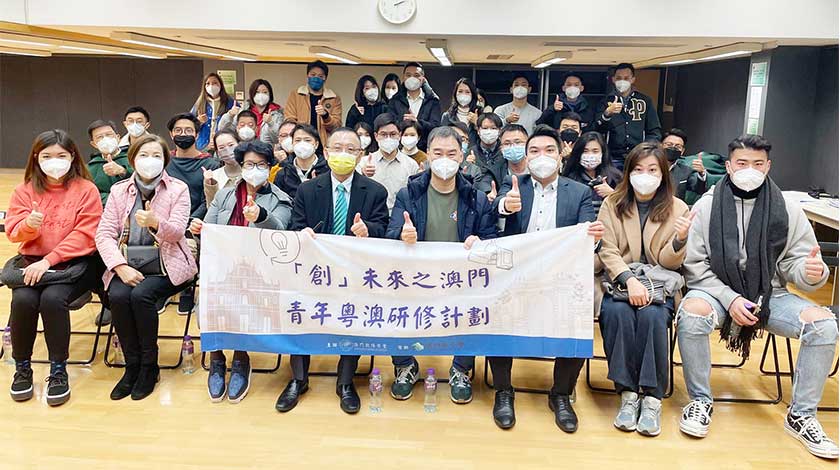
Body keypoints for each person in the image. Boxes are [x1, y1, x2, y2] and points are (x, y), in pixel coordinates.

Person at [676, 134, 839, 459]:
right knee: (691, 313)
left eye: (757, 164)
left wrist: (813, 273)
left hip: (770, 293)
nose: (749, 169)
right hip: (715, 290)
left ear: (768, 167)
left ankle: (802, 415)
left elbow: (798, 263)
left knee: (824, 325)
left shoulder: (787, 209)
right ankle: (700, 400)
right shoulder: (707, 206)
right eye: (742, 163)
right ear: (728, 166)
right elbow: (695, 266)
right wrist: (731, 299)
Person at [490, 125, 604, 431]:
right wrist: (505, 206)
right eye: (535, 151)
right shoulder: (514, 183)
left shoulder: (579, 192)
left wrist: (594, 237)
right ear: (526, 158)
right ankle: (503, 391)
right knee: (496, 309)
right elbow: (494, 209)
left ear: (560, 156)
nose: (542, 156)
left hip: (560, 277)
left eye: (549, 150)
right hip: (516, 275)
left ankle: (561, 394)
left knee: (578, 314)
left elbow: (586, 236)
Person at [385, 126, 497, 405]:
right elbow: (390, 235)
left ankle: (460, 369)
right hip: (415, 278)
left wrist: (479, 242)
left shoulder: (476, 198)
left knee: (477, 306)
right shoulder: (408, 195)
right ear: (427, 156)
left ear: (462, 156)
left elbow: (491, 239)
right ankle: (405, 365)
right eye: (438, 153)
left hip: (461, 280)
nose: (444, 159)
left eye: (451, 153)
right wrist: (402, 235)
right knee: (389, 302)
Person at [283, 127, 389, 414]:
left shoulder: (375, 191)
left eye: (351, 149)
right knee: (299, 312)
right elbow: (295, 227)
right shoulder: (307, 190)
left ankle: (345, 382)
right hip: (314, 271)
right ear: (326, 152)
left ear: (360, 155)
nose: (344, 154)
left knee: (352, 317)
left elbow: (384, 229)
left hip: (355, 273)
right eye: (338, 148)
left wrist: (368, 229)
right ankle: (298, 379)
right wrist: (303, 233)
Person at [596, 141, 690, 437]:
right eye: (638, 169)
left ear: (663, 174)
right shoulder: (612, 203)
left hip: (660, 283)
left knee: (653, 317)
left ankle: (651, 398)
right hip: (619, 280)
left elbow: (669, 261)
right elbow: (606, 249)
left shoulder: (678, 207)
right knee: (616, 313)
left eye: (652, 170)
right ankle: (626, 393)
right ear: (628, 172)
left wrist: (680, 240)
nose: (645, 176)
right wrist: (629, 279)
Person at [95, 134, 197, 401]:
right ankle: (132, 366)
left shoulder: (178, 189)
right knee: (118, 295)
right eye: (143, 155)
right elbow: (104, 234)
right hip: (128, 263)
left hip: (168, 264)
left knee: (141, 296)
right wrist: (119, 266)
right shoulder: (119, 191)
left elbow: (177, 233)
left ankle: (149, 367)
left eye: (156, 155)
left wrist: (155, 222)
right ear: (132, 160)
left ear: (165, 160)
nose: (149, 160)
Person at [6, 129, 103, 407]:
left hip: (74, 264)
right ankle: (22, 367)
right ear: (36, 158)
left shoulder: (86, 190)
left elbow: (86, 234)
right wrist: (28, 226)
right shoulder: (24, 190)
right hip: (32, 262)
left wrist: (50, 259)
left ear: (72, 157)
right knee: (23, 299)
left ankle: (58, 370)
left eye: (61, 155)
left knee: (52, 299)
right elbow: (13, 232)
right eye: (47, 156)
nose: (54, 161)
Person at [190, 140, 292, 403]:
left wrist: (261, 215)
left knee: (242, 297)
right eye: (249, 164)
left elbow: (281, 232)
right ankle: (216, 359)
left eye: (261, 164)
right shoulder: (224, 195)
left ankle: (240, 359)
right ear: (241, 165)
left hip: (258, 270)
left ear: (269, 167)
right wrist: (199, 229)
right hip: (222, 266)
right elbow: (210, 228)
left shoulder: (280, 198)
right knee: (210, 299)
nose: (254, 169)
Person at [165, 113, 220, 315]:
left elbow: (210, 199)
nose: (183, 134)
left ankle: (187, 288)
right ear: (171, 134)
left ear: (197, 135)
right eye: (178, 130)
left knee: (190, 241)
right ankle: (164, 287)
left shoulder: (211, 164)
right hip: (168, 218)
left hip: (198, 220)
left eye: (188, 130)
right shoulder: (165, 161)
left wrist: (190, 220)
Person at [594, 63, 662, 170]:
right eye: (619, 78)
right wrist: (607, 114)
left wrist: (646, 150)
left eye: (626, 78)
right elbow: (596, 129)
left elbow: (654, 130)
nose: (622, 81)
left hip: (638, 156)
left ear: (633, 79)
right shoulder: (604, 101)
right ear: (613, 79)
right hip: (612, 157)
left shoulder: (645, 101)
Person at [358, 113, 419, 211]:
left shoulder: (411, 165)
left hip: (400, 215)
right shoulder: (364, 163)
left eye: (393, 134)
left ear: (399, 135)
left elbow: (415, 196)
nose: (388, 138)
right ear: (376, 136)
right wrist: (362, 175)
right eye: (383, 134)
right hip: (372, 215)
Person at [283, 60, 343, 145]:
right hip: (301, 142)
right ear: (307, 76)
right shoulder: (296, 95)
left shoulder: (334, 98)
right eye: (313, 75)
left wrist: (326, 116)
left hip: (323, 144)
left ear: (325, 78)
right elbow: (289, 119)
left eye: (320, 76)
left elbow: (336, 126)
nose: (316, 78)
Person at [562, 131, 622, 215]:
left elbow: (628, 207)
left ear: (603, 153)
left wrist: (612, 195)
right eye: (585, 151)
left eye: (595, 151)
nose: (590, 155)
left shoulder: (616, 177)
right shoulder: (569, 179)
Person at [386, 62, 441, 151]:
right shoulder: (395, 100)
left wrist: (418, 122)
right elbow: (389, 124)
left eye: (416, 75)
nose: (412, 78)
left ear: (423, 79)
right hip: (400, 149)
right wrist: (404, 124)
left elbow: (436, 128)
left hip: (425, 149)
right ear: (404, 77)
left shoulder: (432, 101)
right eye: (408, 75)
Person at [273, 124, 329, 200]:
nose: (302, 144)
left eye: (307, 140)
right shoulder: (283, 173)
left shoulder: (327, 170)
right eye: (298, 140)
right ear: (292, 144)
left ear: (316, 144)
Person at [219, 79, 284, 142]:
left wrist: (271, 123)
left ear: (270, 94)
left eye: (265, 92)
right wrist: (229, 115)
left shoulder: (277, 113)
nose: (261, 95)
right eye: (257, 92)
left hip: (265, 148)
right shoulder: (243, 110)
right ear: (252, 93)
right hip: (243, 147)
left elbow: (278, 138)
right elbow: (223, 130)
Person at [87, 119, 133, 207]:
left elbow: (144, 181)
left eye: (109, 135)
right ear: (94, 144)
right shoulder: (90, 168)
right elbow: (91, 193)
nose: (105, 139)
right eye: (99, 137)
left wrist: (123, 171)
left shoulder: (133, 158)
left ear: (118, 137)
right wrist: (112, 199)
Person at [190, 72, 237, 152]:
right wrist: (199, 122)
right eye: (208, 83)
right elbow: (189, 125)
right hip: (202, 146)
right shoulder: (200, 103)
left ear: (220, 85)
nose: (211, 86)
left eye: (215, 83)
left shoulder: (230, 103)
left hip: (223, 145)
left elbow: (236, 125)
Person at [661, 128, 707, 201]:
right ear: (660, 146)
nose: (673, 148)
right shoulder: (650, 166)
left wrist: (701, 173)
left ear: (682, 151)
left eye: (678, 146)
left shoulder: (686, 171)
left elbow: (699, 189)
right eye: (669, 144)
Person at [203, 129, 241, 206]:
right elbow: (211, 208)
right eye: (221, 147)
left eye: (231, 145)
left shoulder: (251, 172)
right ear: (217, 153)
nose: (227, 150)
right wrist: (210, 185)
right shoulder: (214, 176)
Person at [471, 113, 505, 195]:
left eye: (493, 128)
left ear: (499, 131)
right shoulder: (470, 153)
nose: (489, 132)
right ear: (478, 130)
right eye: (485, 128)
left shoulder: (505, 152)